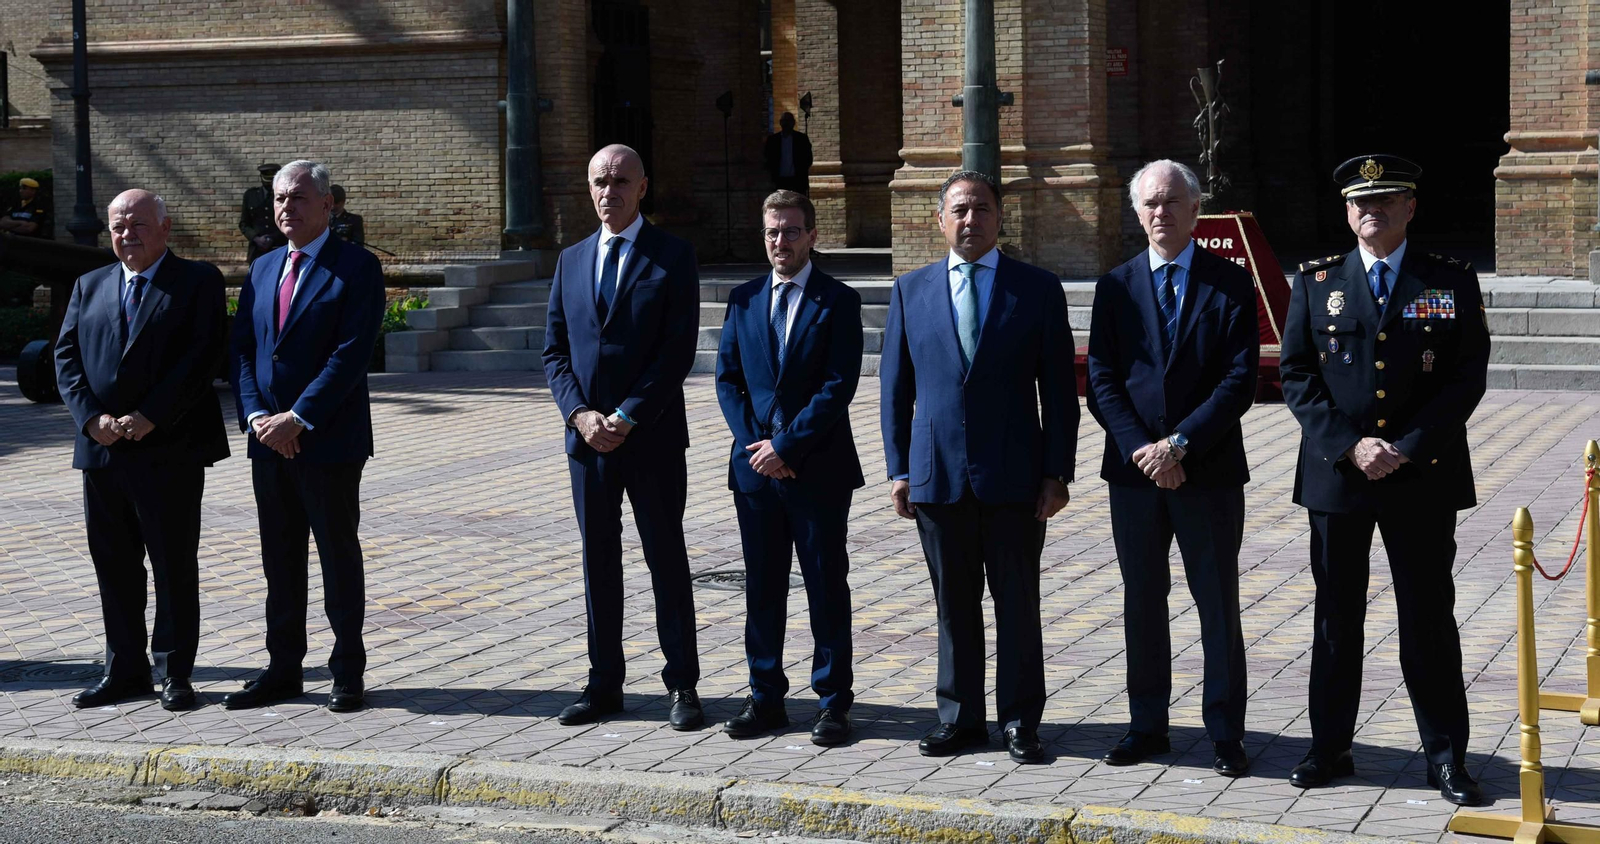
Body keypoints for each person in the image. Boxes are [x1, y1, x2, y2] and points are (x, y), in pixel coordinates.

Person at [1279, 154, 1489, 806]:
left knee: (1428, 619)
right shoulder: (1316, 282)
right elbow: (1296, 377)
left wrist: (1406, 446)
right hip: (1340, 477)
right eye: (1360, 203)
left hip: (1420, 476)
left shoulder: (1447, 282)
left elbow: (1466, 375)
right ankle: (1329, 748)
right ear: (1346, 212)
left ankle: (1446, 758)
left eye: (1387, 200)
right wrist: (1351, 446)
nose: (1372, 211)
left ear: (1410, 208)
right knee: (1336, 621)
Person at [880, 170, 1077, 763]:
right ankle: (959, 718)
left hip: (1016, 478)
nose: (971, 220)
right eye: (959, 210)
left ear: (999, 217)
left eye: (982, 209)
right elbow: (895, 389)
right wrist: (899, 469)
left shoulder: (1037, 289)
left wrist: (1056, 473)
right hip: (937, 476)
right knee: (953, 604)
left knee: (1017, 603)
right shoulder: (910, 291)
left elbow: (1060, 394)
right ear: (940, 220)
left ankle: (1020, 720)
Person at [1086, 160, 1259, 776]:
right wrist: (1144, 449)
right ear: (1138, 214)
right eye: (1150, 204)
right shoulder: (1116, 286)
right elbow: (1102, 380)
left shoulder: (1231, 284)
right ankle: (1146, 725)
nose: (1161, 213)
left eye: (1172, 202)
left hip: (1206, 470)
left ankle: (1225, 730)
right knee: (1142, 601)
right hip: (1134, 475)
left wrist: (1179, 445)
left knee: (1216, 600)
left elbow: (1240, 380)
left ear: (1195, 209)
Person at [541, 144, 704, 730]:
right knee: (598, 563)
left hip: (652, 438)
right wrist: (580, 416)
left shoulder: (672, 256)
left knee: (665, 558)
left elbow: (675, 350)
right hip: (587, 443)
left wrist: (629, 415)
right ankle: (603, 682)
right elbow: (555, 351)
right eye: (598, 182)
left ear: (642, 188)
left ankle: (682, 683)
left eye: (619, 181)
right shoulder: (572, 259)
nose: (608, 192)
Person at [53, 189, 229, 712]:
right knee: (114, 563)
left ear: (165, 227)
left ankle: (175, 673)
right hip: (103, 452)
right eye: (117, 227)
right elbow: (66, 358)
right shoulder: (90, 284)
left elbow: (202, 356)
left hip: (169, 448)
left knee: (173, 563)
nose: (126, 235)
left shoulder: (197, 281)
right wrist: (90, 419)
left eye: (137, 225)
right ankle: (123, 669)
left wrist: (152, 415)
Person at [226, 160, 385, 714]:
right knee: (279, 558)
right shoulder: (265, 266)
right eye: (278, 199)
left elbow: (351, 355)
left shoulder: (356, 268)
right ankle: (283, 668)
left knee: (337, 556)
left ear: (327, 205)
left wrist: (299, 417)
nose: (285, 208)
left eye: (297, 198)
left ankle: (347, 671)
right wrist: (256, 418)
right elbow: (243, 349)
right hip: (267, 439)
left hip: (328, 439)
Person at [714, 190, 863, 746]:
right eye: (773, 232)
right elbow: (728, 378)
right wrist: (758, 444)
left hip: (817, 469)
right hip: (755, 470)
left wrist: (788, 446)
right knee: (763, 587)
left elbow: (837, 387)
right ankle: (764, 697)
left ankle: (832, 702)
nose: (782, 241)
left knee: (826, 585)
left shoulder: (838, 301)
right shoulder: (744, 299)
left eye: (792, 231)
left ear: (812, 236)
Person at [239, 163, 287, 263]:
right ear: (261, 178)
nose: (269, 184)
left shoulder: (286, 196)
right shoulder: (251, 195)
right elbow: (244, 224)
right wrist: (256, 238)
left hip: (280, 247)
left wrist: (272, 238)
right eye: (267, 180)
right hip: (257, 250)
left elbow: (289, 221)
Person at [763, 113, 813, 196]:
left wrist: (801, 171)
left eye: (788, 121)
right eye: (784, 121)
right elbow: (767, 158)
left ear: (793, 123)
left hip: (797, 180)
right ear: (780, 123)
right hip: (778, 181)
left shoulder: (801, 139)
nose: (786, 124)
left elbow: (808, 159)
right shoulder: (773, 140)